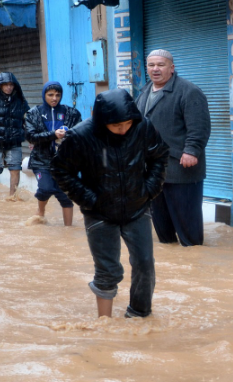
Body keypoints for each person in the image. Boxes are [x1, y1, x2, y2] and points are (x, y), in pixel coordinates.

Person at [52, 89, 169, 319]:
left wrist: (149, 190)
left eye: (127, 123)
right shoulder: (80, 136)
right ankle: (104, 325)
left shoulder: (142, 127)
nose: (123, 129)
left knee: (145, 264)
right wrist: (90, 199)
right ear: (102, 121)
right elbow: (60, 170)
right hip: (100, 213)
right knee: (107, 271)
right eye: (116, 126)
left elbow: (159, 157)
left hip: (137, 207)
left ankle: (138, 315)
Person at [135, 49, 211, 247]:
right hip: (153, 168)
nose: (155, 69)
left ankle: (193, 262)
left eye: (161, 65)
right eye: (151, 65)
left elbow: (199, 126)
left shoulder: (188, 91)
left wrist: (192, 151)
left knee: (188, 226)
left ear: (172, 68)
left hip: (181, 166)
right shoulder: (145, 91)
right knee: (162, 226)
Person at [25, 81, 82, 226]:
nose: (54, 98)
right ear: (44, 95)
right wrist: (53, 135)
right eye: (50, 95)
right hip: (41, 159)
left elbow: (80, 134)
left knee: (66, 195)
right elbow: (31, 136)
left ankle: (68, 230)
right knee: (46, 188)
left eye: (58, 95)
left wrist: (68, 135)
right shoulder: (34, 113)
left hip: (65, 161)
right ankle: (40, 211)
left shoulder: (71, 113)